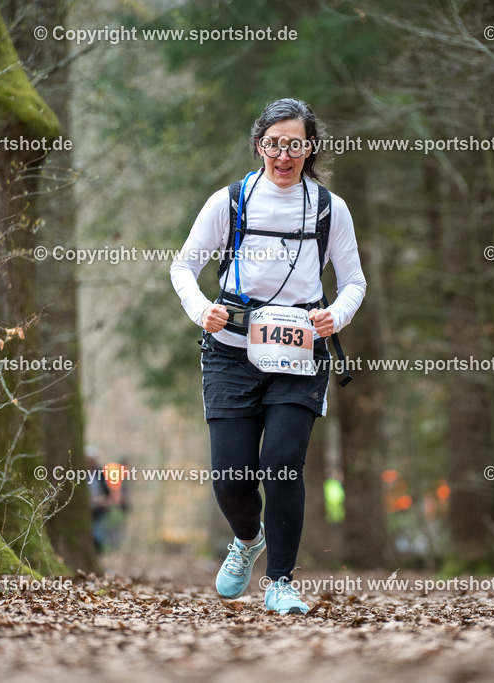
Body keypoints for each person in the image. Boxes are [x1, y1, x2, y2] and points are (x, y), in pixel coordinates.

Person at [171, 98, 366, 614]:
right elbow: (183, 268)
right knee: (231, 476)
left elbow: (353, 282)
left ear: (310, 148)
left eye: (295, 145)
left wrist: (336, 316)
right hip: (232, 353)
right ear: (260, 145)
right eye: (275, 144)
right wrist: (202, 310)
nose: (285, 155)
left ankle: (280, 581)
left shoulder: (329, 208)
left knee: (282, 464)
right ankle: (247, 539)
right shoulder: (230, 201)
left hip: (300, 355)